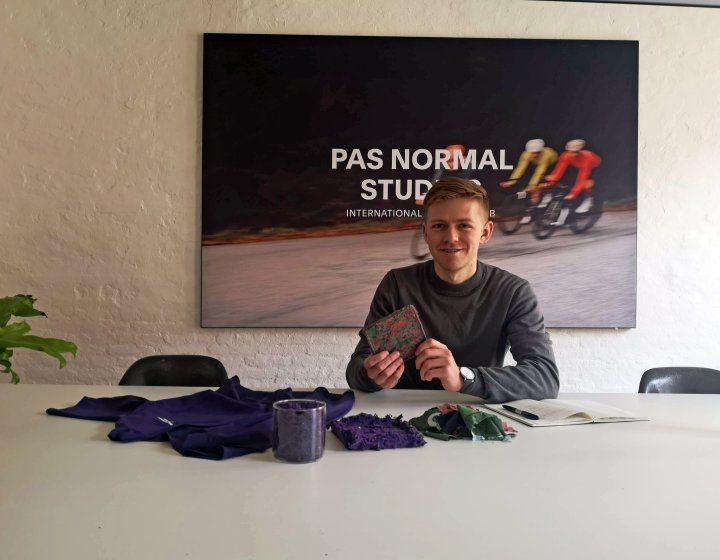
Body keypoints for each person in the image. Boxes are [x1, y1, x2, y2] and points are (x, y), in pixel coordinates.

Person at [346, 177, 559, 403]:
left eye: (464, 225)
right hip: (401, 415)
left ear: (485, 233)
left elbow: (544, 378)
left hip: (477, 416)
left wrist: (462, 378)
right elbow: (356, 369)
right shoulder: (398, 284)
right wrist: (371, 376)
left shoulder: (513, 292)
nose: (451, 237)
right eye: (439, 226)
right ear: (426, 232)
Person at [544, 139, 601, 214]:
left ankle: (588, 200)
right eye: (571, 152)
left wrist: (573, 194)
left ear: (580, 150)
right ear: (567, 150)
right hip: (577, 166)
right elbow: (559, 170)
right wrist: (552, 179)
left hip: (593, 167)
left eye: (576, 152)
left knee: (586, 184)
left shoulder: (587, 158)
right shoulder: (565, 155)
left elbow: (582, 178)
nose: (573, 154)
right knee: (568, 181)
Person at [500, 138, 558, 205]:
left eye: (537, 152)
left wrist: (532, 185)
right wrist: (511, 181)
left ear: (541, 150)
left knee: (536, 185)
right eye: (533, 153)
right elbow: (520, 168)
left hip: (552, 165)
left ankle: (544, 197)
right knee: (529, 183)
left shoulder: (547, 155)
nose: (535, 155)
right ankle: (531, 202)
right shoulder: (526, 154)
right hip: (538, 165)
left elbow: (539, 171)